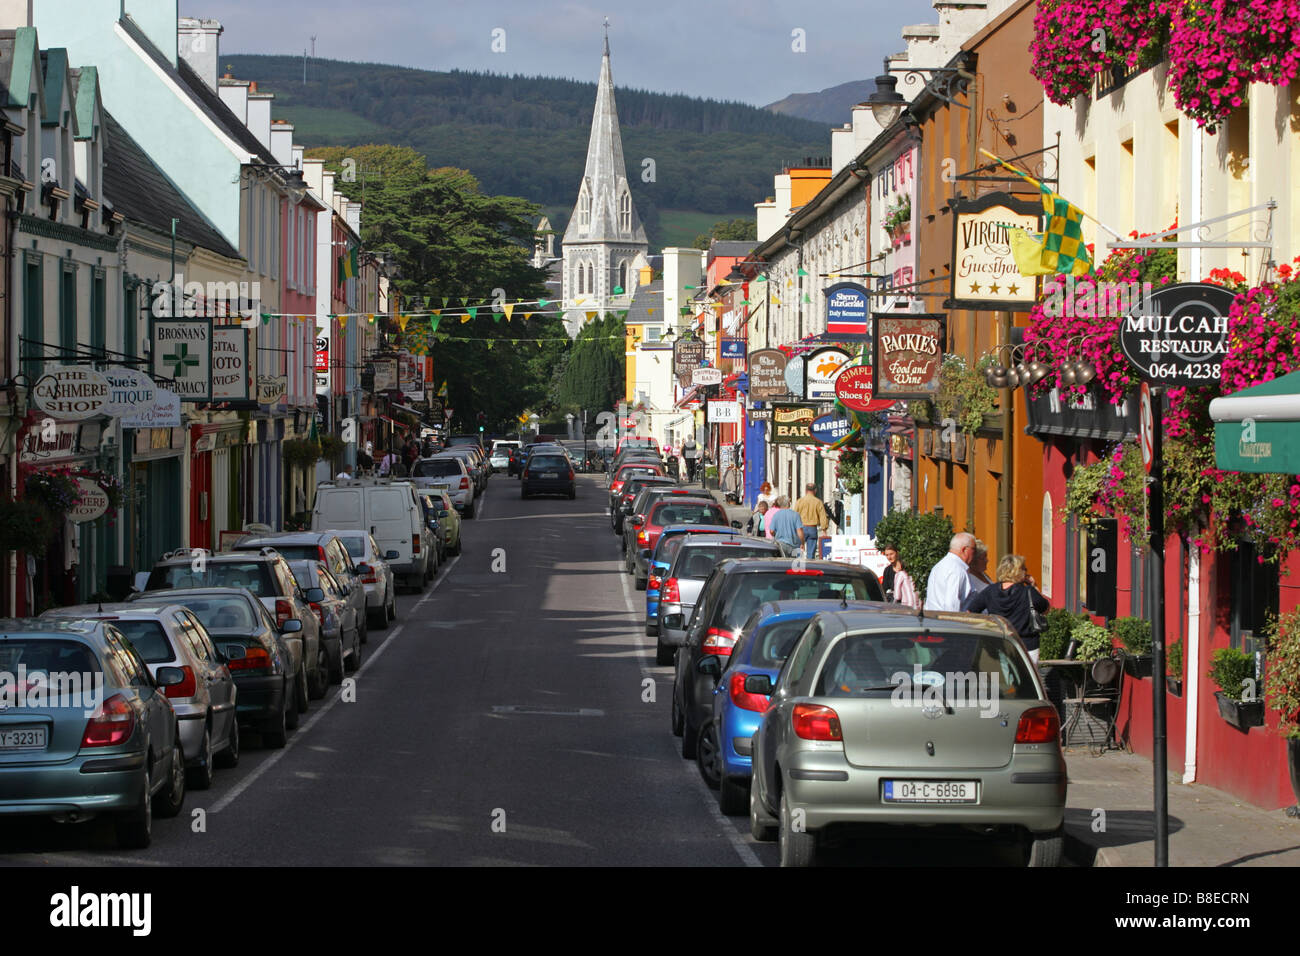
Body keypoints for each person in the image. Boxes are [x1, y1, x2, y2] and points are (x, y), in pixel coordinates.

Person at [963, 554, 1050, 664]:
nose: (1026, 571)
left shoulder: (990, 591)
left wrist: (986, 628)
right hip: (1027, 644)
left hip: (1000, 642)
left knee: (1006, 678)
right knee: (1027, 679)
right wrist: (1034, 586)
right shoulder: (1028, 592)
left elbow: (970, 612)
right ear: (1019, 571)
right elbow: (1046, 609)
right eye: (1024, 568)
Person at [923, 532, 977, 612]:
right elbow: (951, 605)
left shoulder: (939, 565)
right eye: (974, 549)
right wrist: (954, 624)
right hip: (947, 622)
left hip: (933, 620)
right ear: (964, 549)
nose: (975, 554)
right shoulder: (957, 570)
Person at [794, 483, 830, 560]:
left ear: (806, 490)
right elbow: (822, 516)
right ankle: (810, 567)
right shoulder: (818, 502)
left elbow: (795, 515)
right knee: (811, 553)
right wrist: (824, 529)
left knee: (798, 551)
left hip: (801, 528)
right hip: (812, 528)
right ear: (815, 490)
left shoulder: (800, 501)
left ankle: (798, 567)